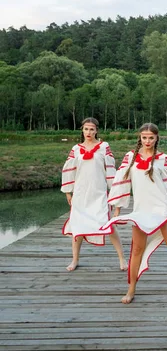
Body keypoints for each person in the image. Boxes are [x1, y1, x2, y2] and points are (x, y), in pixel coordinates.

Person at [100, 123, 167, 305]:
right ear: (140, 138)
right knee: (136, 249)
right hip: (142, 210)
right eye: (144, 137)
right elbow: (122, 181)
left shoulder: (163, 158)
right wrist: (117, 209)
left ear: (156, 138)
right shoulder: (131, 157)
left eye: (151, 138)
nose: (147, 141)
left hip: (162, 208)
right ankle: (131, 288)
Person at [61, 117, 127, 272]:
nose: (88, 132)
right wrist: (68, 192)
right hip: (80, 193)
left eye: (92, 129)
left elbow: (111, 169)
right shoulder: (76, 149)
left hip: (99, 194)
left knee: (108, 225)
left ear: (97, 130)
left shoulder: (104, 147)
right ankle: (75, 260)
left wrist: (114, 193)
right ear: (82, 130)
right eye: (86, 129)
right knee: (77, 227)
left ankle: (122, 259)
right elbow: (69, 171)